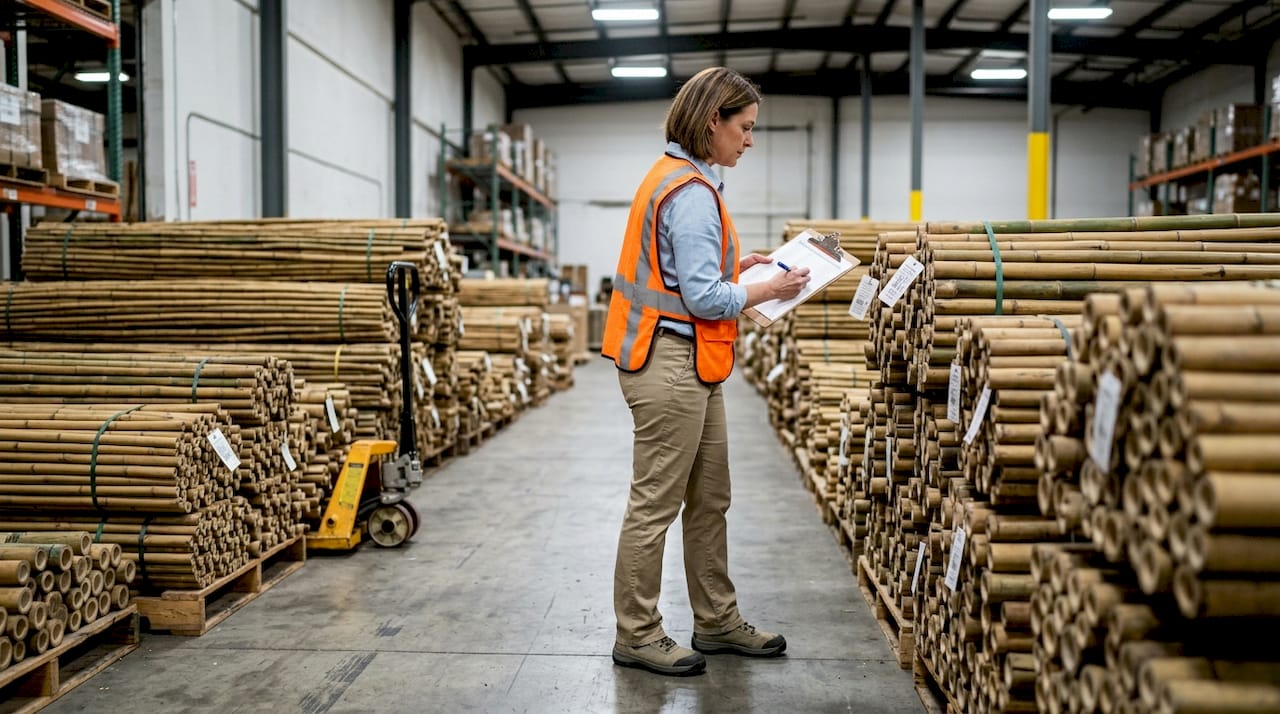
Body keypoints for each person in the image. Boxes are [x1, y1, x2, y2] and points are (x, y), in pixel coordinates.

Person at [601, 67, 812, 677]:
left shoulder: (683, 180)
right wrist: (767, 288)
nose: (749, 140)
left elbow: (687, 275)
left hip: (689, 360)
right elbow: (702, 299)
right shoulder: (690, 192)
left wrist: (736, 265)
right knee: (656, 504)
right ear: (711, 120)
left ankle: (716, 620)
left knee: (710, 498)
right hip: (668, 363)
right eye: (743, 128)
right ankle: (636, 633)